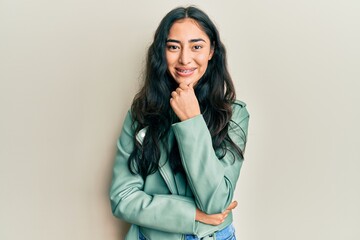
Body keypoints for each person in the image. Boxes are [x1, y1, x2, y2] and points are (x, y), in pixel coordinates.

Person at [109, 6, 249, 240]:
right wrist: (192, 214)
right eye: (173, 47)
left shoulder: (234, 114)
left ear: (211, 51)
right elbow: (122, 197)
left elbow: (215, 202)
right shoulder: (141, 112)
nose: (185, 58)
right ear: (161, 52)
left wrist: (192, 120)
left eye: (197, 46)